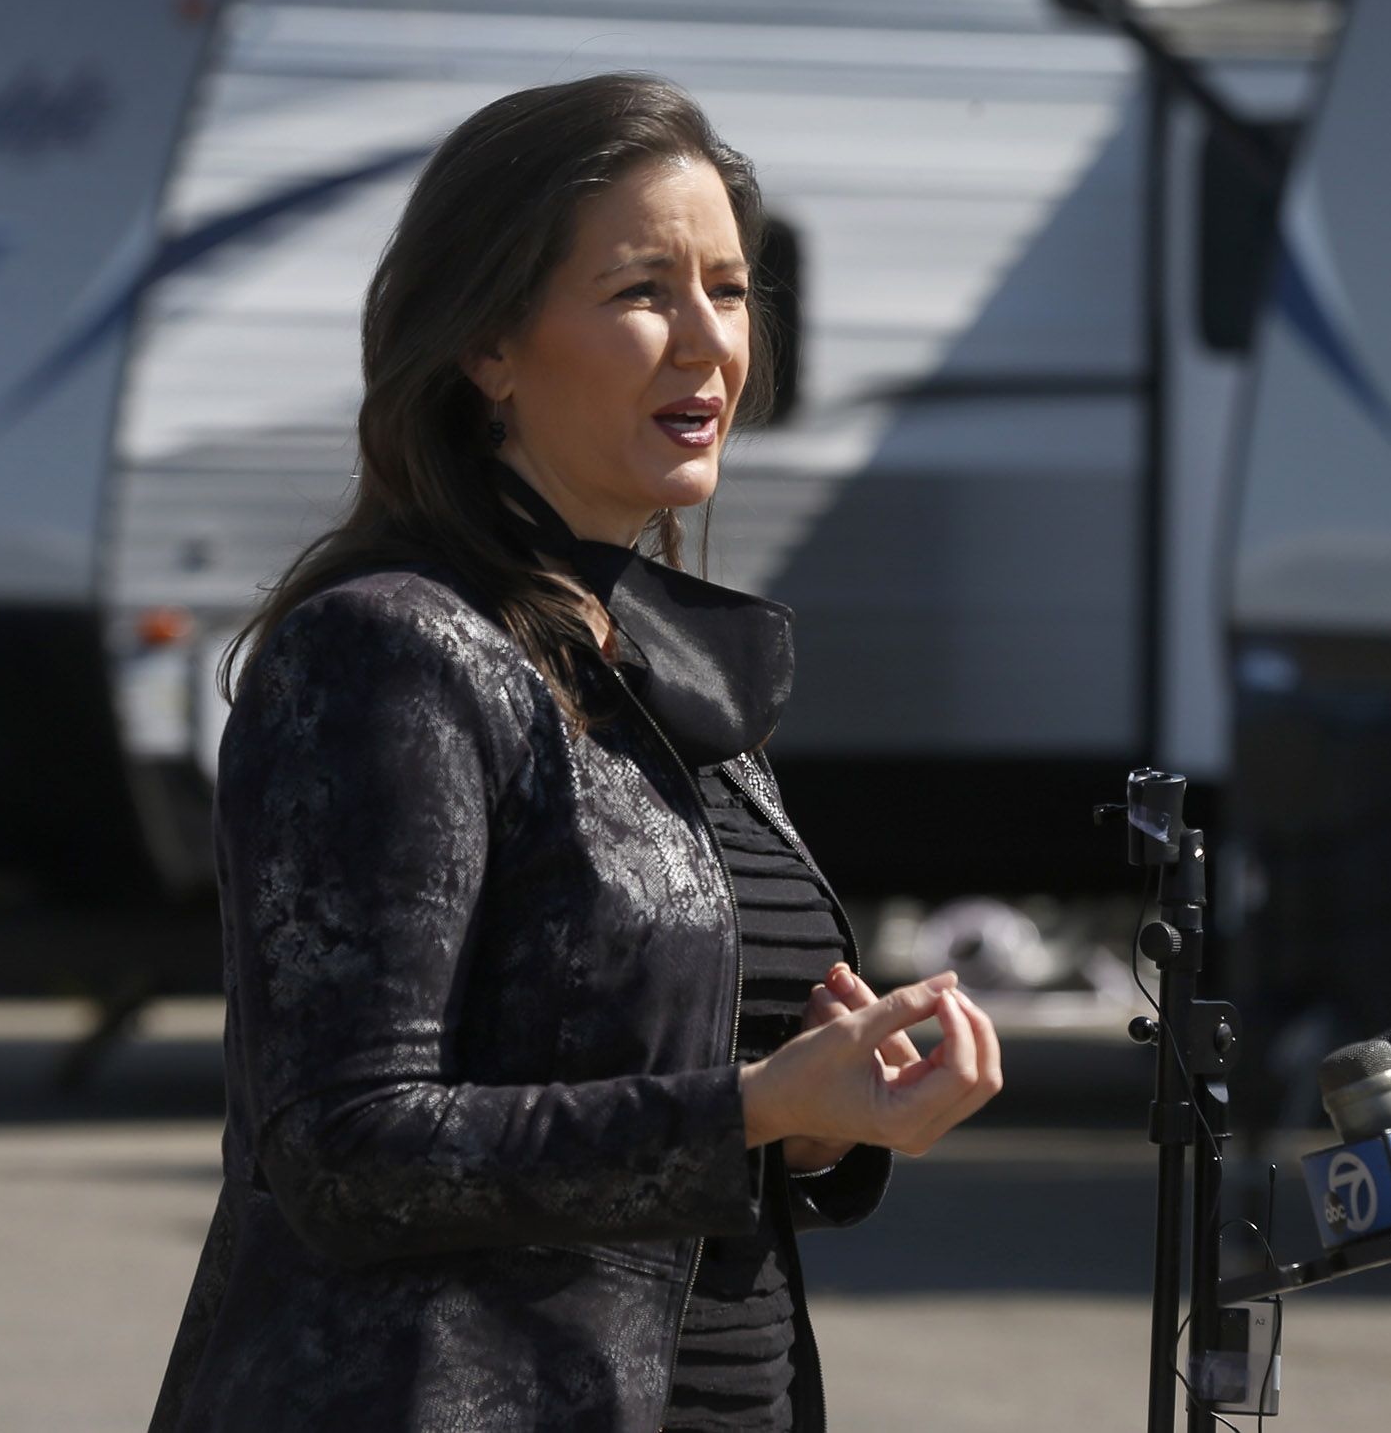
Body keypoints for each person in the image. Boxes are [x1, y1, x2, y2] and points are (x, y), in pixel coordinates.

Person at [147, 73, 1003, 1433]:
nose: (709, 344)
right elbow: (346, 1153)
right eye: (641, 292)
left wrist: (824, 1124)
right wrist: (750, 1105)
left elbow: (667, 1094)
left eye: (730, 290)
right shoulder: (386, 652)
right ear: (488, 341)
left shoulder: (665, 664)